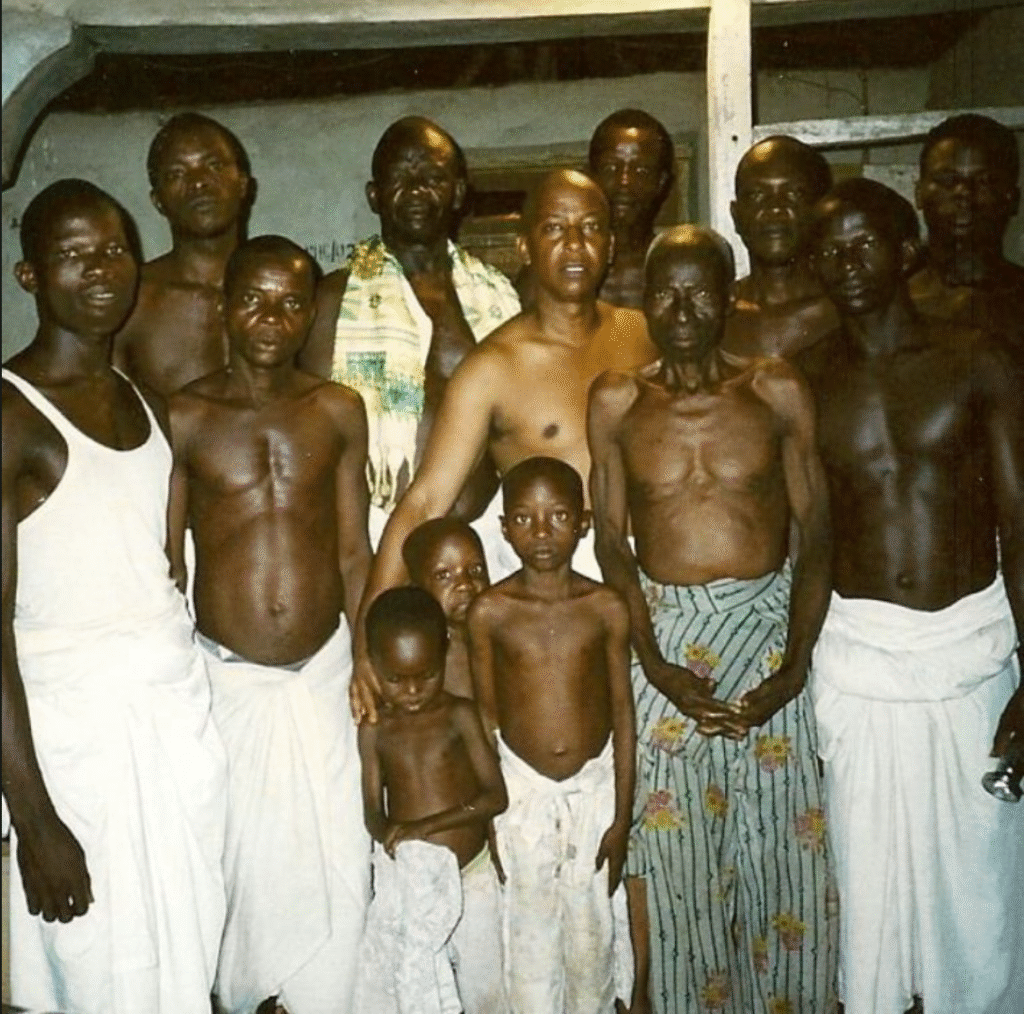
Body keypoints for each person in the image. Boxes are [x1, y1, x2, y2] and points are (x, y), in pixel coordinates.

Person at [588, 224, 836, 1013]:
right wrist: (655, 664)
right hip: (667, 643)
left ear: (730, 299)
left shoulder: (774, 389)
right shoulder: (618, 400)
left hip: (768, 637)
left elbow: (817, 531)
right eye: (666, 291)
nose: (684, 308)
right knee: (679, 870)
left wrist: (794, 665)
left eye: (701, 291)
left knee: (785, 863)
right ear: (644, 301)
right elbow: (611, 540)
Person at [798, 178, 1024, 1014]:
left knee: (984, 891)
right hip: (861, 661)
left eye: (864, 245)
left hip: (969, 649)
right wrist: (793, 662)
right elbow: (811, 538)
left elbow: (1020, 523)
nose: (845, 263)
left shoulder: (977, 358)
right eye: (829, 249)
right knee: (870, 889)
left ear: (907, 250)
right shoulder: (806, 376)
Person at [1, 179, 227, 1013]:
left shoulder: (145, 402)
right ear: (29, 276)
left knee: (184, 966)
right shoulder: (11, 415)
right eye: (73, 254)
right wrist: (35, 822)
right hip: (77, 757)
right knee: (99, 977)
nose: (102, 270)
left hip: (170, 730)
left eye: (115, 249)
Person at [355, 169, 657, 711]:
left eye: (590, 228)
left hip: (657, 582)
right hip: (554, 600)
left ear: (610, 245)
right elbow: (424, 502)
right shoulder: (494, 367)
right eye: (554, 229)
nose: (574, 245)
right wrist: (365, 642)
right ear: (525, 245)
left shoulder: (643, 333)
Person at [166, 235, 373, 1014]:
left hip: (325, 674)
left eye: (291, 303)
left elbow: (356, 551)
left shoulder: (336, 409)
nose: (270, 319)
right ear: (224, 306)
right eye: (252, 299)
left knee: (339, 863)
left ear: (310, 313)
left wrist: (367, 659)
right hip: (229, 681)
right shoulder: (187, 415)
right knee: (242, 872)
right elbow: (169, 563)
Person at [300, 115, 521, 541]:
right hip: (380, 530)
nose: (417, 189)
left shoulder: (498, 296)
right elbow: (315, 439)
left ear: (457, 193)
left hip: (491, 534)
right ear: (374, 195)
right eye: (401, 175)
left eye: (432, 176)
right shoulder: (333, 300)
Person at [467, 456, 636, 1014]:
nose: (541, 533)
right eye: (525, 518)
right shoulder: (491, 611)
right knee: (531, 941)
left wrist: (622, 813)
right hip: (521, 794)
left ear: (584, 523)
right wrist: (492, 815)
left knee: (592, 943)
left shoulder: (604, 606)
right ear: (504, 527)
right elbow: (486, 718)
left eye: (558, 516)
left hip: (593, 792)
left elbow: (623, 712)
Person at [356, 586, 508, 1014]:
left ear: (443, 651)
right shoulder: (374, 729)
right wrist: (393, 838)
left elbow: (495, 795)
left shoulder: (459, 714)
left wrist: (424, 829)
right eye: (395, 679)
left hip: (471, 876)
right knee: (418, 987)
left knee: (486, 992)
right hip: (414, 881)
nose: (412, 690)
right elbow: (372, 810)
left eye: (426, 675)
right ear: (372, 662)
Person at [113, 111, 253, 396]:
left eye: (213, 165)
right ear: (158, 200)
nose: (198, 182)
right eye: (177, 173)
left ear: (242, 184)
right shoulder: (131, 300)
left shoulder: (289, 290)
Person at [517, 109, 675, 311]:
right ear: (590, 174)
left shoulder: (672, 266)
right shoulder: (551, 269)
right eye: (610, 168)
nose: (624, 182)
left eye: (640, 170)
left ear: (661, 182)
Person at [910, 113, 1024, 358]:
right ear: (919, 193)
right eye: (947, 180)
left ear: (1012, 199)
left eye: (983, 181)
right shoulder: (892, 302)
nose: (964, 194)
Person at [723, 134, 838, 359]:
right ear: (736, 217)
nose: (775, 209)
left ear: (821, 210)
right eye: (757, 195)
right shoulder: (711, 314)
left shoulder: (847, 308)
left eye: (794, 194)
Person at [403, 517, 490, 701]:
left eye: (475, 570)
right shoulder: (420, 659)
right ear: (416, 587)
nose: (465, 585)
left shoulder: (503, 637)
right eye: (444, 575)